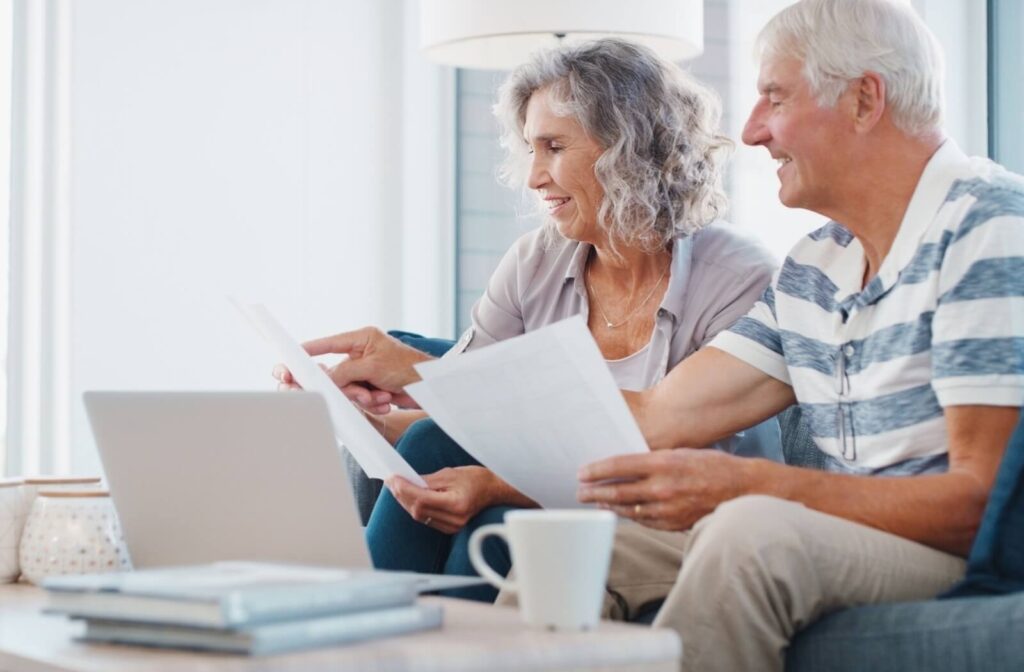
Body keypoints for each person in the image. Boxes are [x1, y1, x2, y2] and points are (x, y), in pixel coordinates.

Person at [566, 1, 1024, 670]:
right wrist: (445, 414)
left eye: (773, 98)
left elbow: (977, 503)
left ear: (866, 100)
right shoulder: (816, 264)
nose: (751, 132)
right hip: (845, 536)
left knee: (751, 531)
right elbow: (659, 415)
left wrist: (748, 485)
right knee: (581, 546)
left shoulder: (990, 230)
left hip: (958, 550)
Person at [276, 40, 777, 601]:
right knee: (473, 514)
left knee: (471, 499)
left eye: (554, 148)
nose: (534, 177)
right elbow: (463, 429)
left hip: (673, 512)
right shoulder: (535, 262)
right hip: (554, 499)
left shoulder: (735, 275)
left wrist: (480, 464)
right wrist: (359, 420)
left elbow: (672, 450)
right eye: (530, 150)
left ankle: (350, 628)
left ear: (628, 149)